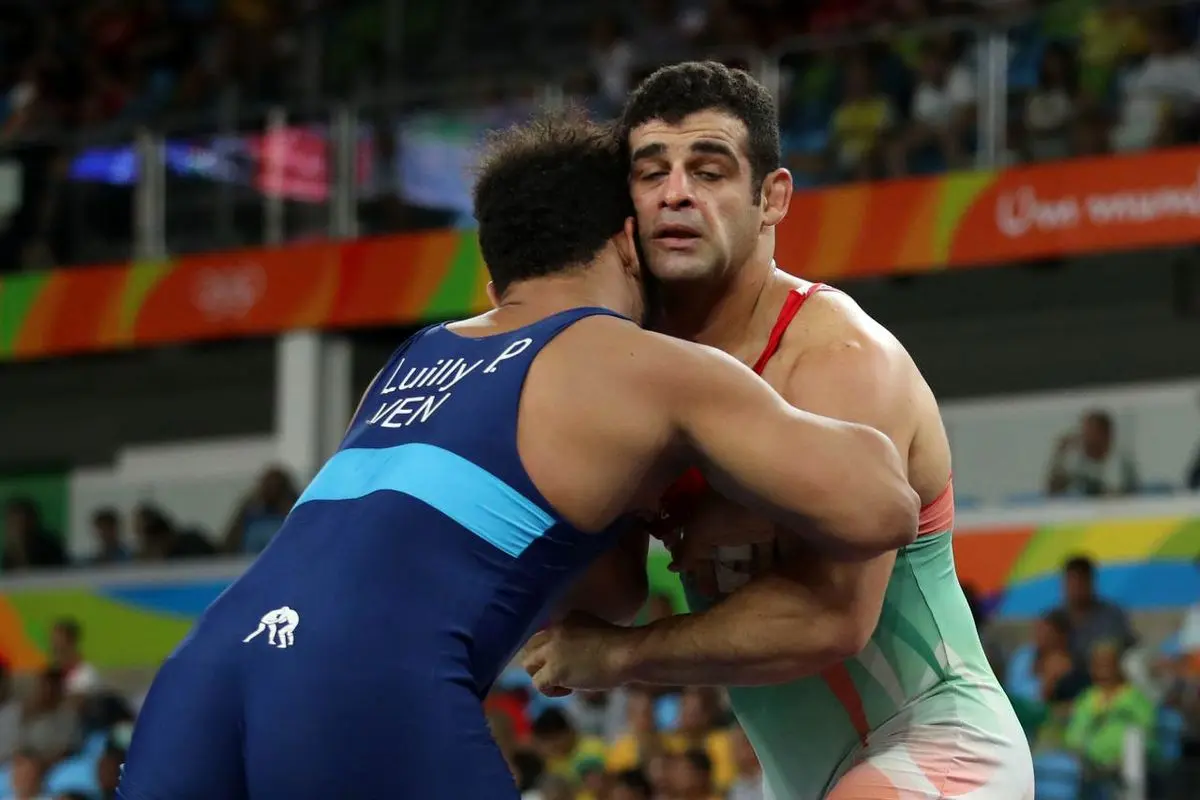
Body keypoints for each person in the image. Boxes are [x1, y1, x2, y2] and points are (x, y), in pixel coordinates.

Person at [117, 112, 917, 799]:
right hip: (363, 681)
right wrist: (718, 493)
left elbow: (603, 590)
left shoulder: (414, 357)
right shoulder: (637, 361)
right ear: (626, 243)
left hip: (203, 676)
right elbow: (882, 507)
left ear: (495, 272)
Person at [523, 63, 1033, 800]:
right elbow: (609, 600)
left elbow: (833, 619)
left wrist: (624, 656)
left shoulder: (838, 357)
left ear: (773, 199)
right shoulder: (635, 372)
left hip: (939, 744)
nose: (675, 193)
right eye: (651, 172)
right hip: (797, 778)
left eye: (709, 171)